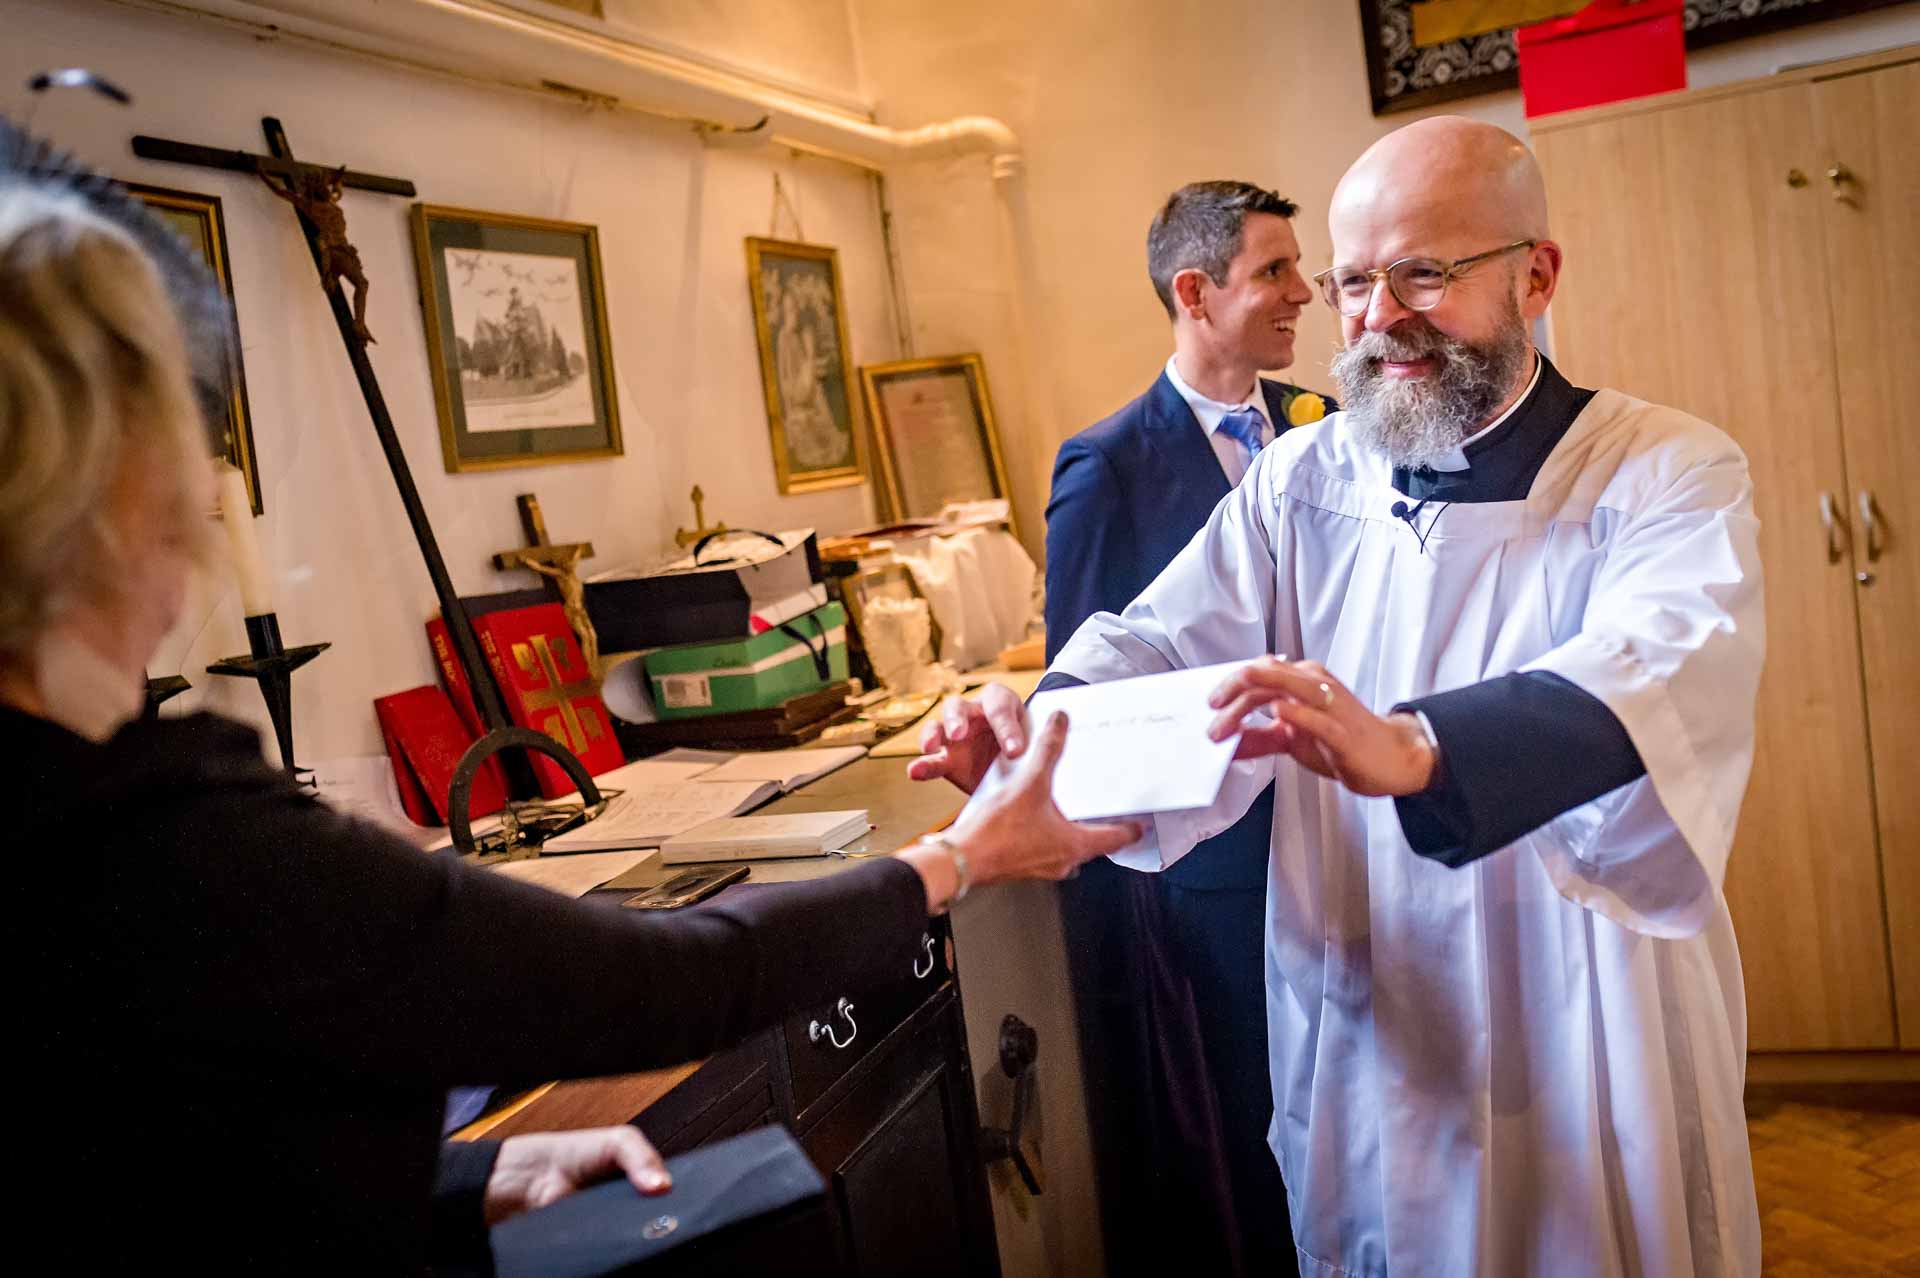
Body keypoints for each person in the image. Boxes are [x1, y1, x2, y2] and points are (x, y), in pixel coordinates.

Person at [1, 137, 1139, 1268]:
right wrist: (962, 855)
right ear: (104, 496)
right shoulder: (162, 843)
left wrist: (469, 1175)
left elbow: (163, 1167)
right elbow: (676, 978)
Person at [918, 117, 1763, 1275]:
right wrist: (1034, 728)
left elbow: (1665, 665)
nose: (1378, 317)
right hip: (1367, 1003)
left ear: (1537, 273)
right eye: (1354, 280)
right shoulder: (1302, 479)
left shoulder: (1662, 470)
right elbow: (1158, 640)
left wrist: (1420, 750)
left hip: (1573, 1005)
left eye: (1425, 272)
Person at [1022, 179, 1329, 1275]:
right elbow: (1085, 692)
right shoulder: (1105, 465)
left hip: (1339, 831)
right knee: (1250, 1116)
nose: (1309, 291)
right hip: (1214, 869)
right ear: (1195, 292)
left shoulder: (1325, 427)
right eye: (1275, 272)